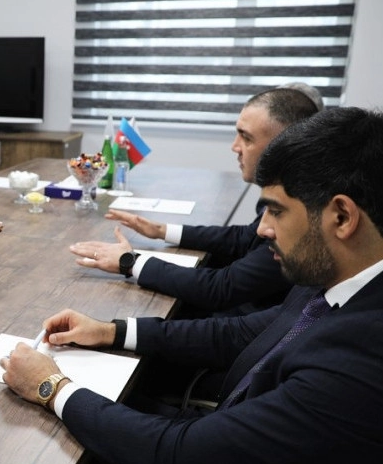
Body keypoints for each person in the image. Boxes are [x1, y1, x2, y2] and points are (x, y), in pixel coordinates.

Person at [1, 106, 383, 464]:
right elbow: (238, 333)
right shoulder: (338, 278)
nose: (262, 230)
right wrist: (110, 331)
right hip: (225, 453)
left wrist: (50, 387)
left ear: (342, 217)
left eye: (276, 211)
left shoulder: (363, 354)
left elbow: (177, 458)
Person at [69, 87, 319, 318]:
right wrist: (161, 230)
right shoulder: (288, 194)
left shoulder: (301, 214)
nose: (235, 147)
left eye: (246, 138)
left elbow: (222, 288)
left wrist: (131, 262)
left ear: (283, 144)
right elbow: (244, 238)